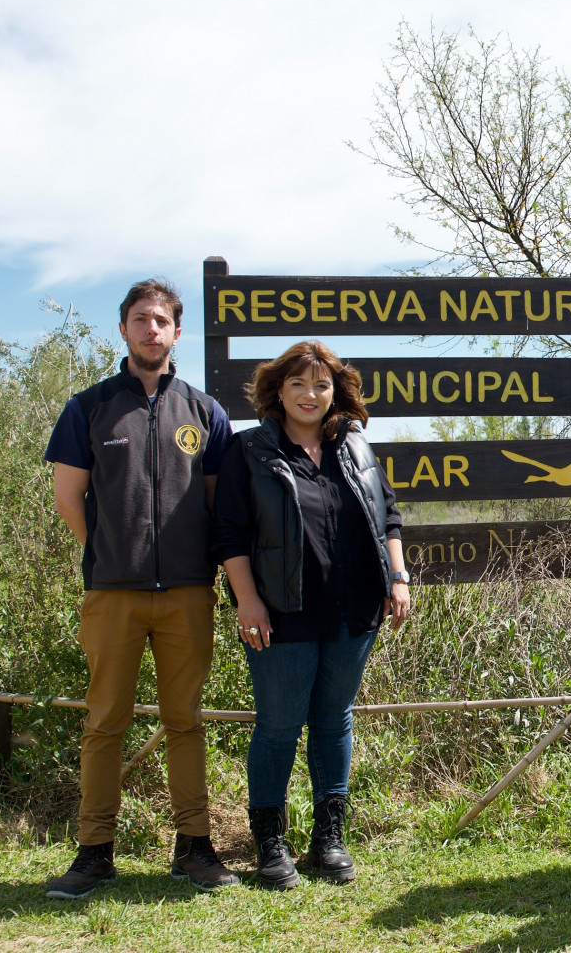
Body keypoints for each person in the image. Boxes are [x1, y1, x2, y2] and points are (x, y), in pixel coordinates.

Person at [43, 278, 237, 898]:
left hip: (187, 593)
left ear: (178, 332)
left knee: (186, 721)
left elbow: (217, 507)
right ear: (123, 328)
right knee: (105, 723)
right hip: (112, 593)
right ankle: (95, 850)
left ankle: (195, 848)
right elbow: (70, 499)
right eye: (140, 319)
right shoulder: (88, 407)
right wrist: (110, 554)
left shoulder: (206, 413)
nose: (151, 329)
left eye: (162, 320)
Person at [211, 340, 411, 889]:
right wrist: (246, 600)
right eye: (297, 383)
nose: (310, 394)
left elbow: (387, 515)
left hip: (355, 611)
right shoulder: (249, 450)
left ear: (335, 392)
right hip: (282, 612)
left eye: (321, 385)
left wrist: (398, 577)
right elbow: (229, 533)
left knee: (334, 721)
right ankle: (270, 845)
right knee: (278, 727)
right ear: (278, 390)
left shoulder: (353, 445)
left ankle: (329, 839)